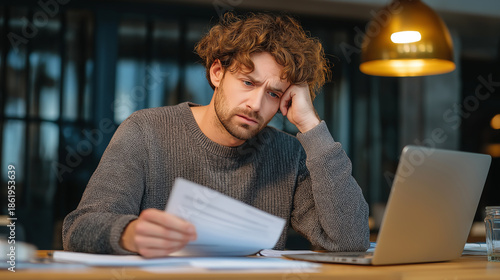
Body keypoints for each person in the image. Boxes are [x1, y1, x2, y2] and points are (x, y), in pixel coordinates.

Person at [62, 12, 370, 257]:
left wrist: (311, 126)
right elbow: (78, 229)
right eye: (248, 82)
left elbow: (349, 240)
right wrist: (129, 233)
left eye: (274, 94)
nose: (256, 104)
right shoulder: (146, 131)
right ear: (217, 73)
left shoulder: (289, 155)